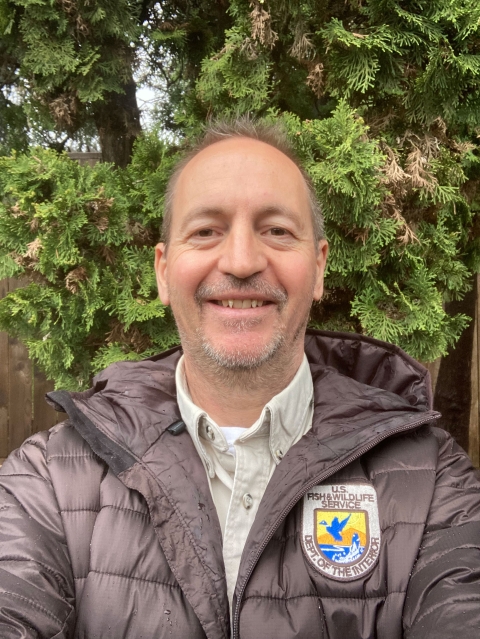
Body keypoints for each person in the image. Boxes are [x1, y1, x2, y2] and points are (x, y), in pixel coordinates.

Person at [0, 119, 479, 639]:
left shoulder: (432, 480)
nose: (242, 261)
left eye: (276, 230)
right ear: (163, 271)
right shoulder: (46, 481)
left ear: (318, 269)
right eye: (206, 230)